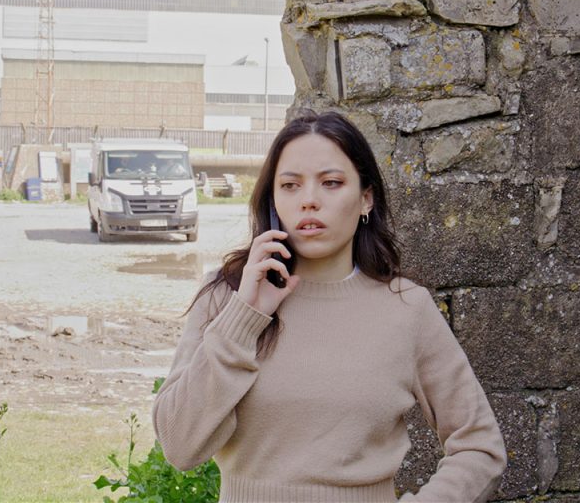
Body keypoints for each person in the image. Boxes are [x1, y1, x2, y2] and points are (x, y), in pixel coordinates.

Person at [152, 110, 506, 503]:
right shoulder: (226, 297)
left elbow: (480, 446)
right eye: (290, 185)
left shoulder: (406, 309)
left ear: (365, 198)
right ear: (272, 202)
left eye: (331, 183)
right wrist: (243, 318)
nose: (309, 201)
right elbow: (179, 445)